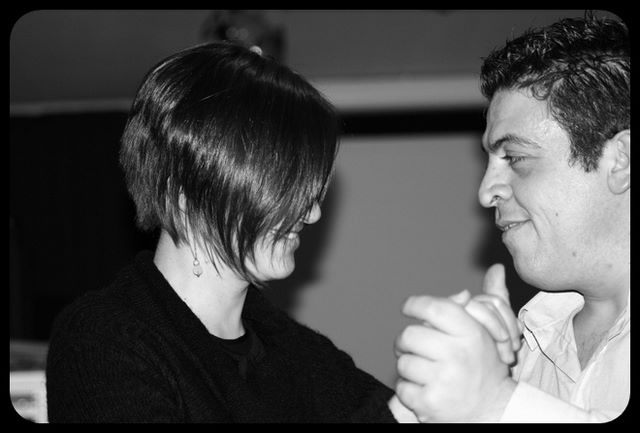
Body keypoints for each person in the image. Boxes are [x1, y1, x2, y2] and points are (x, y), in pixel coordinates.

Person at [45, 41, 422, 423]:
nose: (312, 213)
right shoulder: (102, 340)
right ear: (185, 194)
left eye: (310, 193)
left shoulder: (304, 354)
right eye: (285, 187)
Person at [393, 15, 630, 422]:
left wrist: (492, 403)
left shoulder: (503, 391)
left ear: (621, 160)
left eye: (516, 158)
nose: (486, 192)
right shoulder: (528, 344)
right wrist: (428, 403)